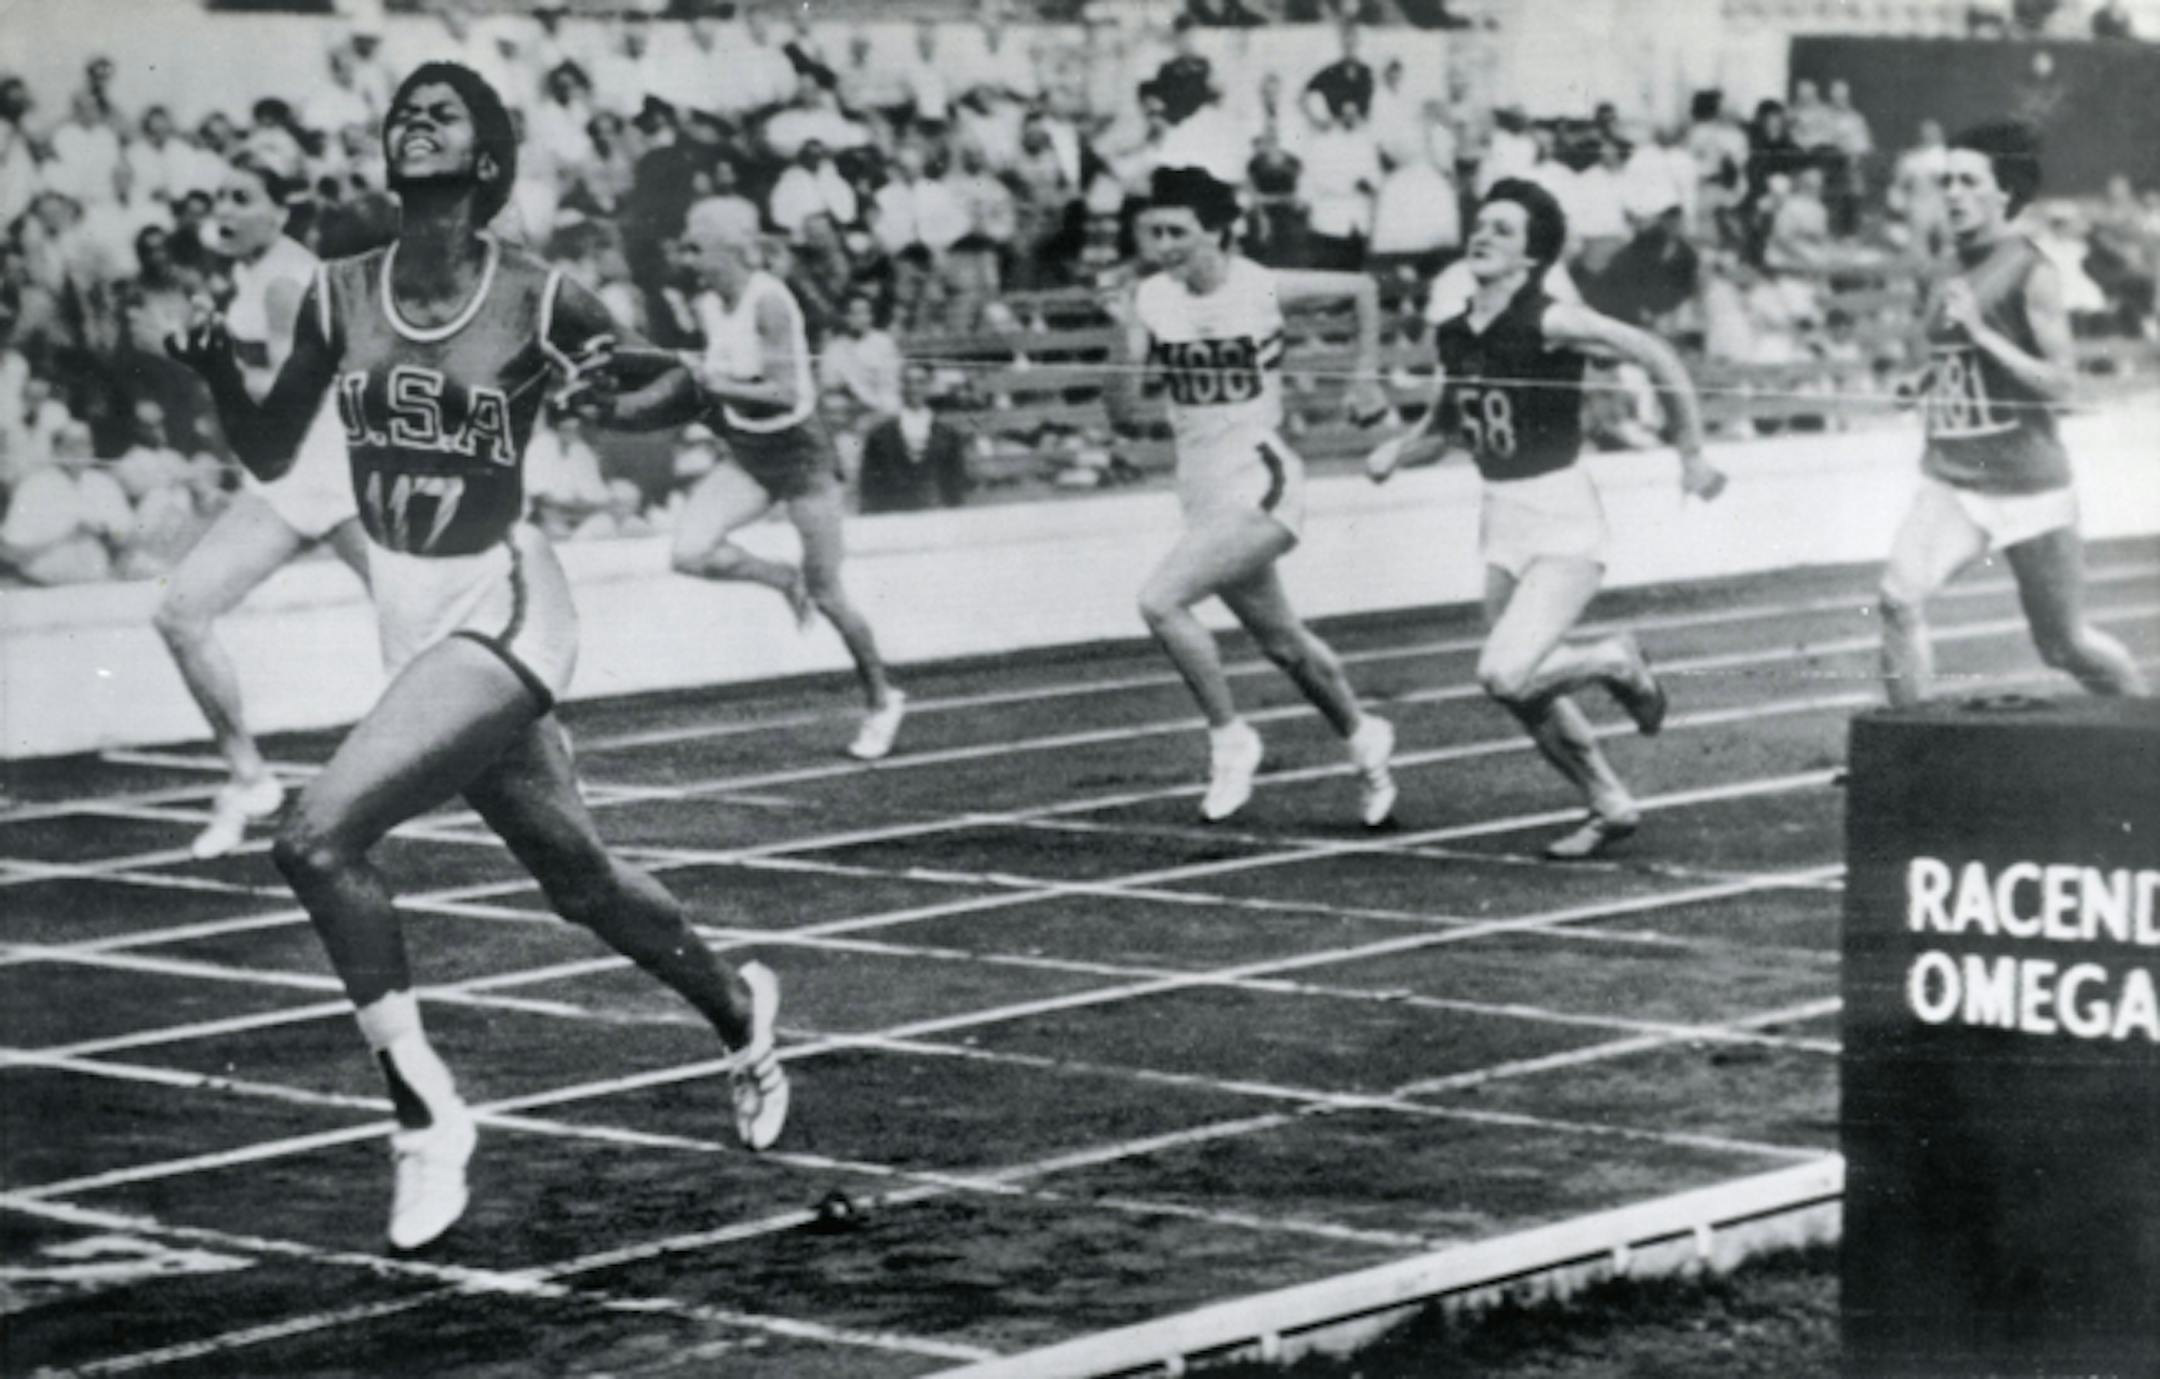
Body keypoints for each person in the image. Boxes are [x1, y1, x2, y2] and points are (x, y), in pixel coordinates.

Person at [166, 62, 788, 1255]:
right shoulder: (339, 289)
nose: (415, 119)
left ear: (486, 160)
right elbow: (268, 439)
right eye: (405, 108)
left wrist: (638, 391)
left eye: (442, 112)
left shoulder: (544, 293)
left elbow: (664, 394)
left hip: (504, 600)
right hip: (408, 611)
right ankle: (741, 1013)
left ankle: (424, 1115)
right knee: (581, 879)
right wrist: (210, 370)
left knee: (315, 835)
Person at [1367, 179, 1728, 860]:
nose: (1483, 235)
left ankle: (1615, 659)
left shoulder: (1552, 319)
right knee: (1524, 691)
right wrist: (1396, 449)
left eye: (1503, 230)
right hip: (1502, 521)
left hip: (1563, 517)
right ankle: (1607, 801)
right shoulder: (1454, 332)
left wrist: (1691, 453)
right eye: (1481, 223)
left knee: (1504, 673)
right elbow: (1445, 428)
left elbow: (1657, 354)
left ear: (1530, 256)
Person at [1112, 165, 1397, 828]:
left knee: (1160, 600)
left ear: (1220, 231)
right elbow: (1122, 411)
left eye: (1180, 231)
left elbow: (1362, 287)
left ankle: (1230, 737)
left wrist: (1364, 374)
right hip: (1204, 492)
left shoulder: (1261, 285)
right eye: (1157, 231)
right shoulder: (1150, 298)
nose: (1165, 244)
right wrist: (1122, 342)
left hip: (1265, 480)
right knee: (1284, 644)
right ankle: (1364, 738)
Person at [1878, 120, 2145, 707]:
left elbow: (2066, 388)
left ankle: (2144, 737)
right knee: (1899, 599)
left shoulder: (2032, 270)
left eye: (1968, 181)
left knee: (2064, 645)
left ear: (2005, 193)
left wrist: (1981, 333)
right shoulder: (1942, 269)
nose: (1951, 193)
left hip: (2030, 486)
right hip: (1952, 478)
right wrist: (1917, 381)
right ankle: (1915, 753)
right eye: (1946, 180)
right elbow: (1943, 360)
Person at [154, 147, 373, 860]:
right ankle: (248, 776)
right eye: (220, 197)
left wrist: (213, 361)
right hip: (287, 485)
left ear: (280, 209)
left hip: (336, 475)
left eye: (242, 197)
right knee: (180, 612)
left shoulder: (285, 281)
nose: (224, 211)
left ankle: (542, 748)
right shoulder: (258, 273)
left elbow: (284, 412)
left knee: (433, 627)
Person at [668, 198, 908, 760]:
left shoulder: (769, 300)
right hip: (750, 451)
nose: (688, 258)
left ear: (729, 250)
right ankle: (780, 579)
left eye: (697, 247)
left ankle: (882, 697)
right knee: (688, 551)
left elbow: (784, 391)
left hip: (800, 455)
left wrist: (704, 383)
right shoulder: (709, 303)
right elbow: (720, 383)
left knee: (829, 592)